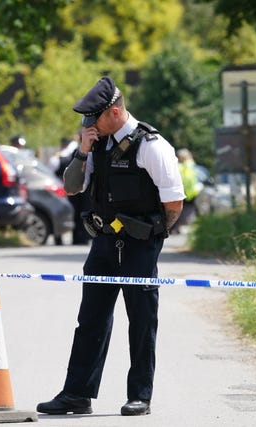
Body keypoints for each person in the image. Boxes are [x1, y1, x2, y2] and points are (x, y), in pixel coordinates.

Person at [37, 76, 184, 417]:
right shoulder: (97, 146)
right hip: (103, 244)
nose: (89, 126)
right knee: (91, 319)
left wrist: (152, 240)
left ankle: (139, 395)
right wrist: (83, 150)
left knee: (142, 321)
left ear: (115, 112)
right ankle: (76, 394)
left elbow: (173, 202)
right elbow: (72, 188)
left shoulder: (151, 146)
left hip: (139, 246)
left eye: (94, 119)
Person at [48, 134, 92, 245]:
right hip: (77, 189)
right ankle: (81, 237)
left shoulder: (75, 152)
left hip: (78, 189)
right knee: (80, 214)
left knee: (79, 214)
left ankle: (79, 237)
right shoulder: (77, 152)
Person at [171, 148, 203, 234]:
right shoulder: (190, 164)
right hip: (190, 192)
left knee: (180, 210)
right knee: (186, 210)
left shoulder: (185, 165)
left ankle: (175, 228)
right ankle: (176, 228)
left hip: (186, 192)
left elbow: (187, 179)